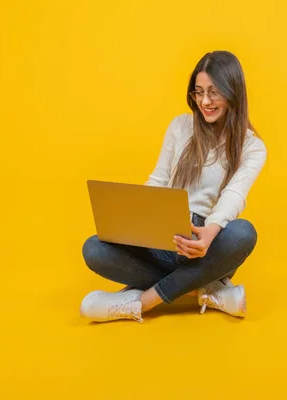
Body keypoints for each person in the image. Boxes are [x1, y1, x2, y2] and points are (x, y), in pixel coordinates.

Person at [80, 50, 267, 323]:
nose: (204, 101)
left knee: (243, 233)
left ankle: (141, 302)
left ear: (233, 92)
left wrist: (208, 234)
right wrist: (135, 220)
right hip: (164, 237)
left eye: (214, 93)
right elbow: (157, 181)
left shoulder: (252, 147)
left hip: (207, 244)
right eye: (198, 92)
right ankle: (207, 292)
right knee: (94, 248)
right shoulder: (180, 126)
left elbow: (233, 196)